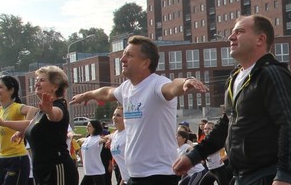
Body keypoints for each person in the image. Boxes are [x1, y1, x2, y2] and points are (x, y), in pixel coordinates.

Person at [172, 15, 291, 185]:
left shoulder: (271, 73)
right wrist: (194, 156)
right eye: (232, 32)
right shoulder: (234, 77)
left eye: (239, 32)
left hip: (267, 176)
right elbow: (227, 124)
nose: (231, 37)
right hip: (241, 176)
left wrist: (285, 175)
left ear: (260, 39)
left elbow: (289, 124)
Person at [71, 35, 208, 185]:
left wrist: (186, 82)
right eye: (123, 55)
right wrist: (86, 95)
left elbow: (172, 86)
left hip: (159, 176)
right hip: (135, 175)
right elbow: (106, 93)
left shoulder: (156, 84)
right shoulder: (126, 88)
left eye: (129, 55)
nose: (122, 59)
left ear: (145, 63)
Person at [0, 66, 77, 185]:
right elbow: (30, 123)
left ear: (55, 86)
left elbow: (55, 115)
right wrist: (13, 127)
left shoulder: (58, 106)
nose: (37, 83)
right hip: (41, 170)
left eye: (42, 80)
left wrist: (49, 111)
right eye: (36, 80)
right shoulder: (41, 111)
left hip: (57, 168)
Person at [106, 106, 127, 185]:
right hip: (126, 179)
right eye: (114, 115)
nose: (114, 117)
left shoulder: (129, 134)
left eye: (118, 115)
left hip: (138, 178)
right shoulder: (115, 134)